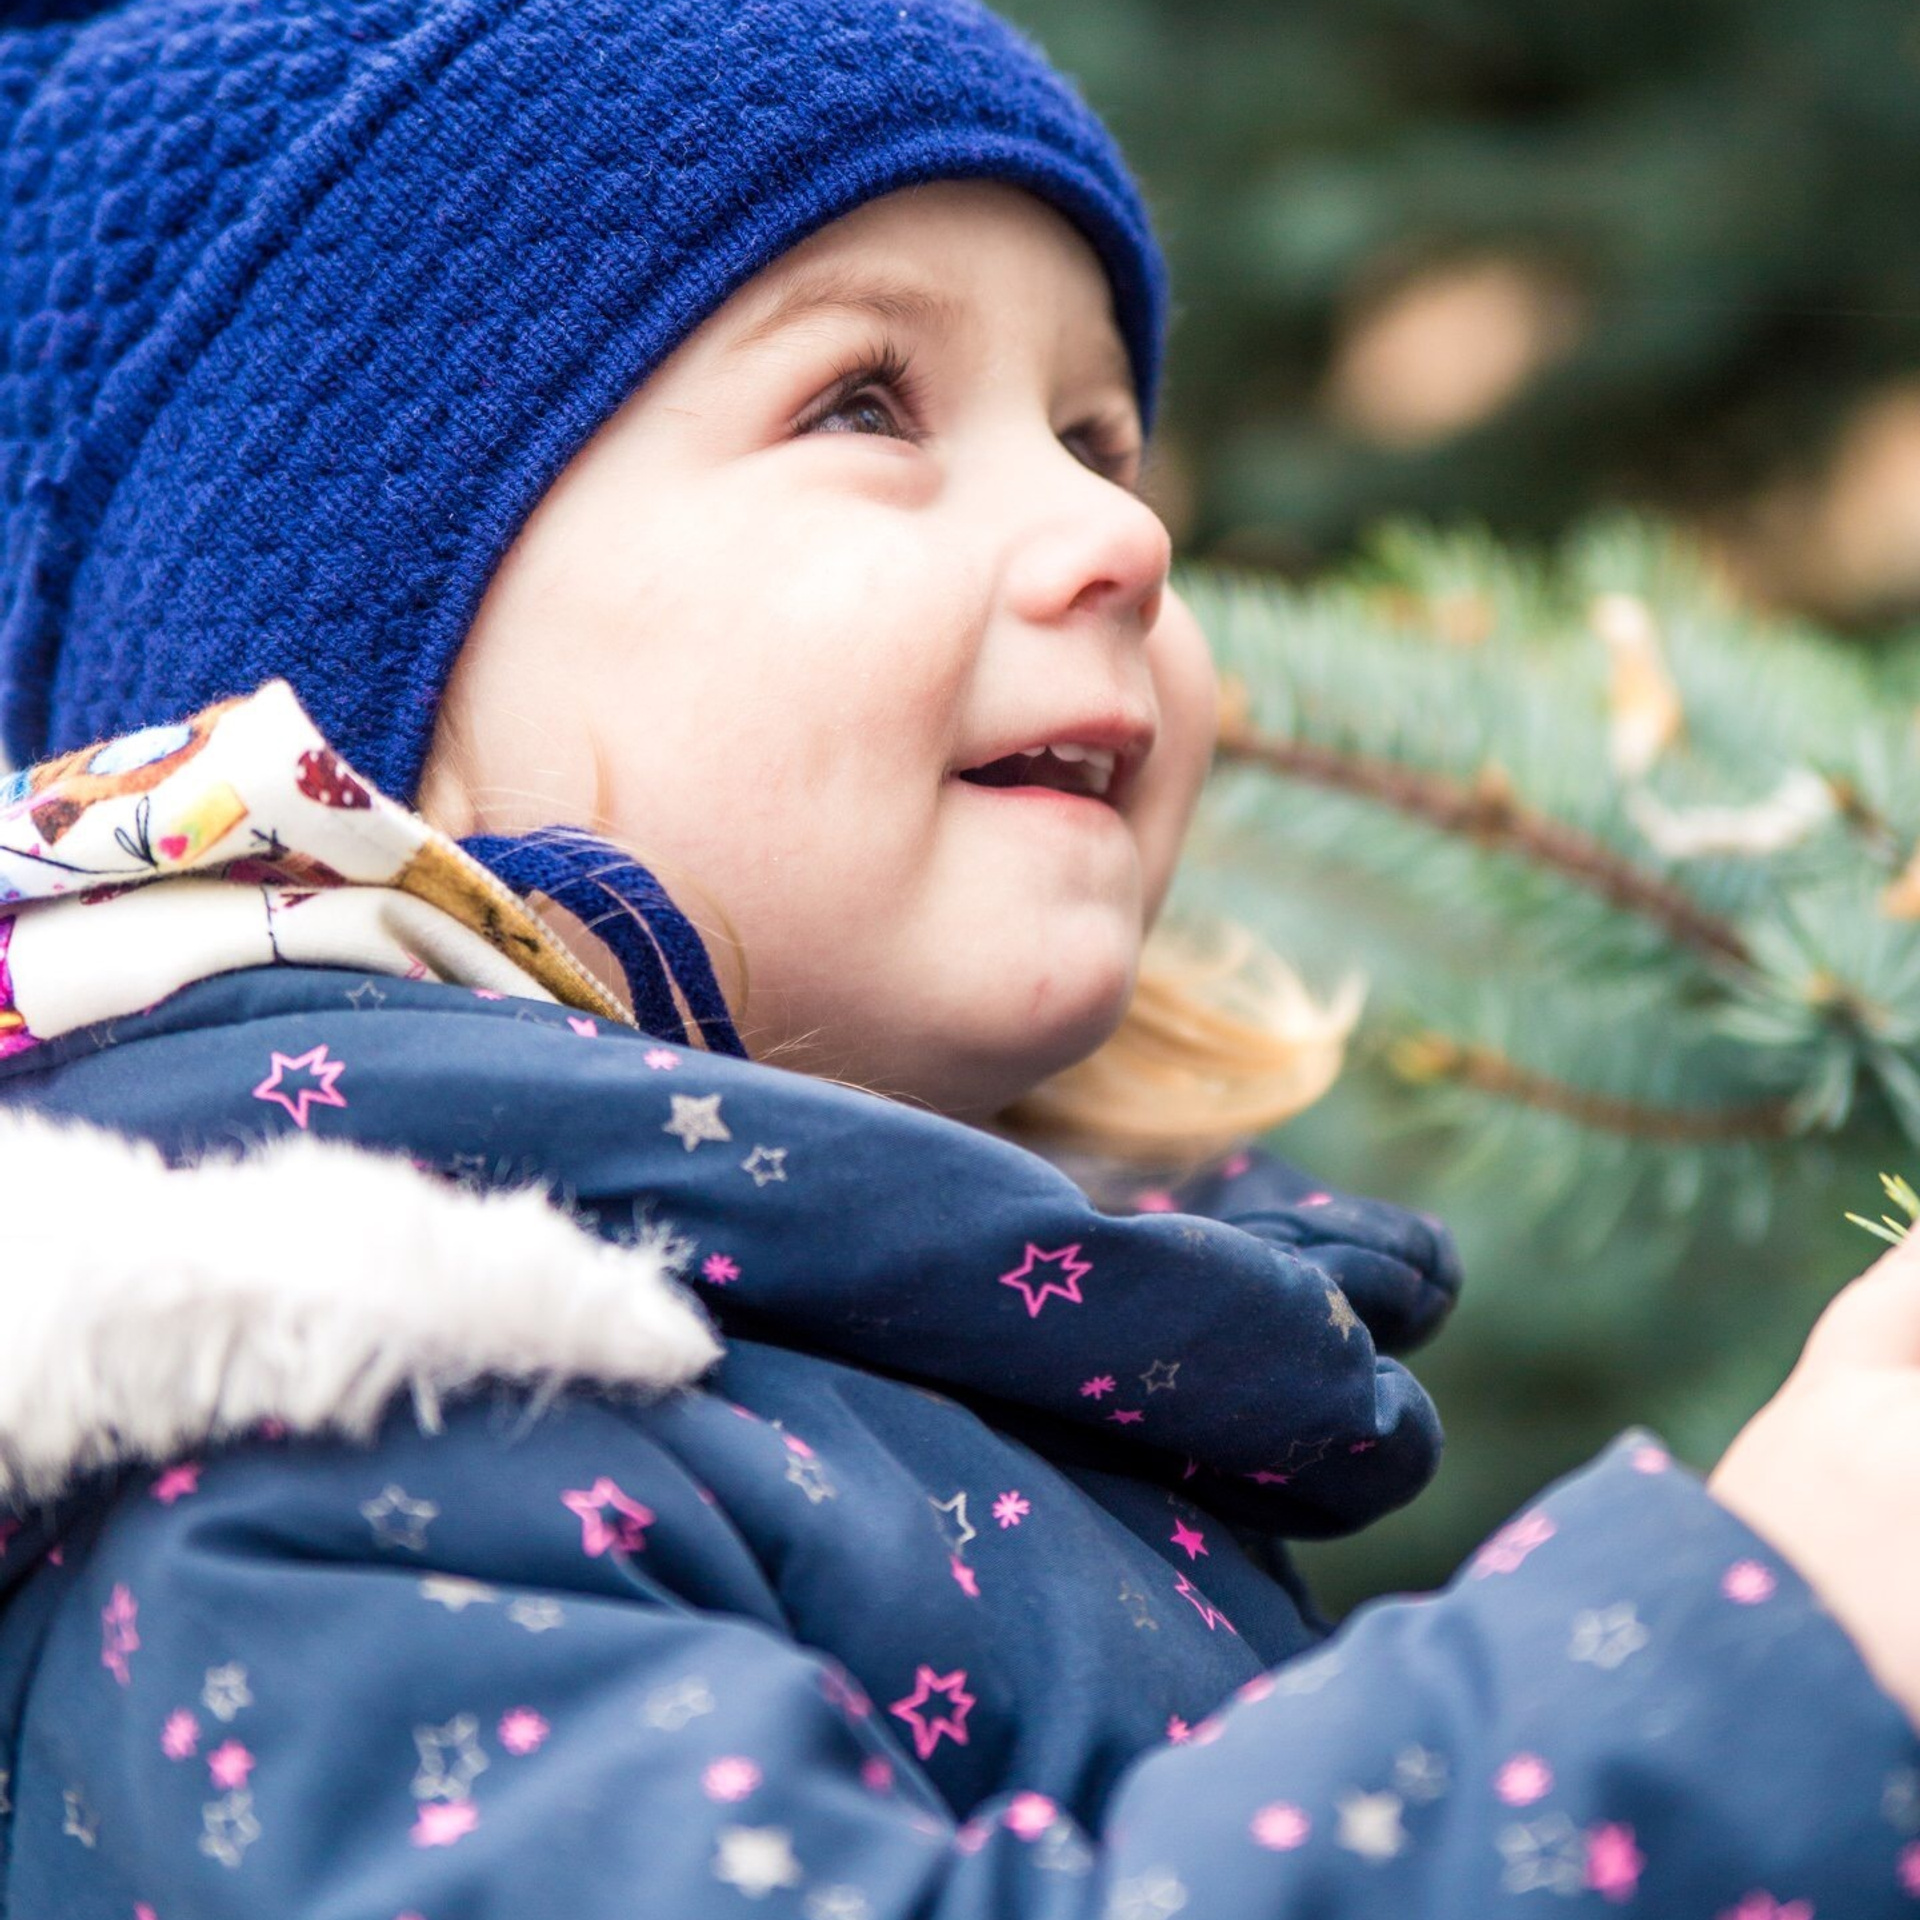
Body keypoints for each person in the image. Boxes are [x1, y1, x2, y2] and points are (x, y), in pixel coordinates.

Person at [0, 2, 1915, 1915]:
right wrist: (1753, 1653)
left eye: (1100, 437)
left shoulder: (1006, 1386)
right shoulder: (319, 1447)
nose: (1118, 531)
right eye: (865, 402)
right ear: (346, 701)